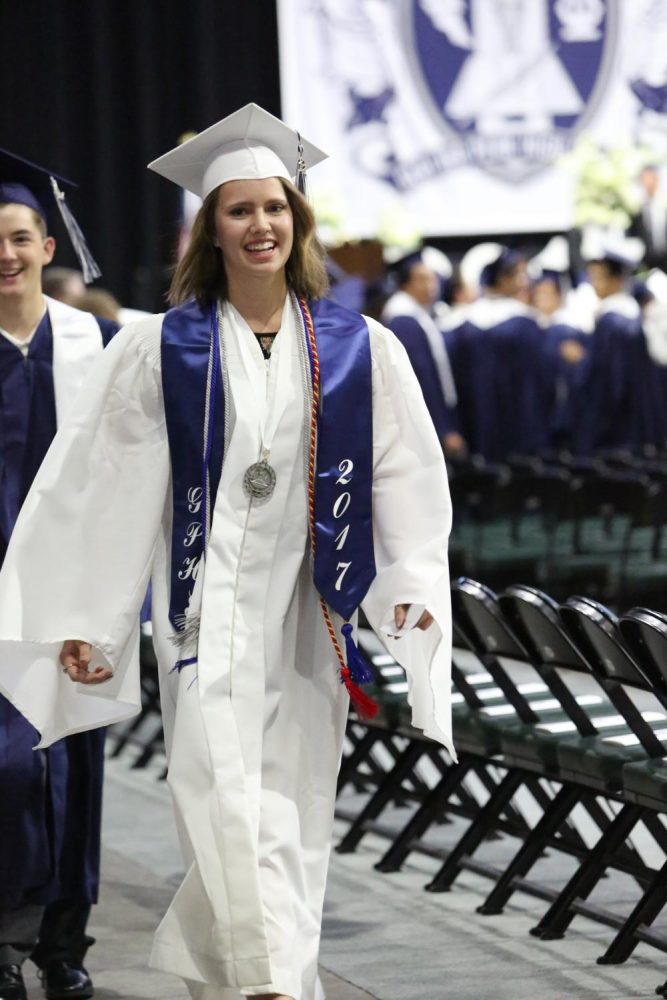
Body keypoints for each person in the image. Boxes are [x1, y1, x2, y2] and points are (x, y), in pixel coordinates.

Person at [0, 105, 454, 1000]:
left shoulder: (364, 349)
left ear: (299, 220)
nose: (260, 226)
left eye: (274, 208)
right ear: (209, 229)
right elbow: (103, 489)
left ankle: (243, 975)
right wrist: (90, 618)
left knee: (290, 810)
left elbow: (403, 476)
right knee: (221, 797)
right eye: (238, 211)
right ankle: (271, 986)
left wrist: (406, 585)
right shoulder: (158, 348)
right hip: (201, 617)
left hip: (307, 614)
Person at [0, 150, 117, 1000]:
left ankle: (63, 942)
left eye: (18, 237)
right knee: (7, 769)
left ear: (47, 245)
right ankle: (4, 936)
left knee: (74, 768)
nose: (5, 254)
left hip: (78, 592)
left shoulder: (92, 342)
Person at [381, 249, 465, 456]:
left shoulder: (416, 314)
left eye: (432, 278)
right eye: (422, 279)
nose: (431, 286)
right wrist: (443, 428)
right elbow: (421, 378)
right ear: (405, 283)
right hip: (424, 424)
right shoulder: (404, 320)